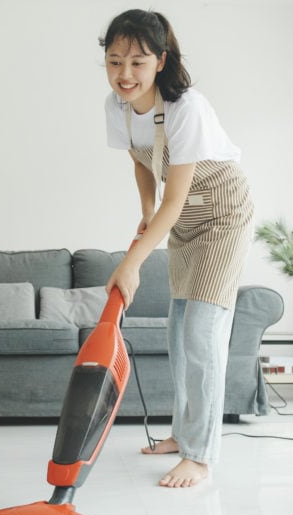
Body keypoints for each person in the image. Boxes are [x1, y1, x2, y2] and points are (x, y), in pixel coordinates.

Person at [100, 9, 254, 488]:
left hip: (222, 215)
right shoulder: (116, 107)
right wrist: (144, 210)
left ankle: (201, 456)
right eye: (114, 61)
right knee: (179, 330)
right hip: (181, 217)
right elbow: (143, 164)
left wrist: (131, 263)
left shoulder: (187, 108)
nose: (125, 74)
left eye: (138, 63)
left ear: (161, 61)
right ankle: (181, 436)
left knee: (204, 335)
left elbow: (177, 195)